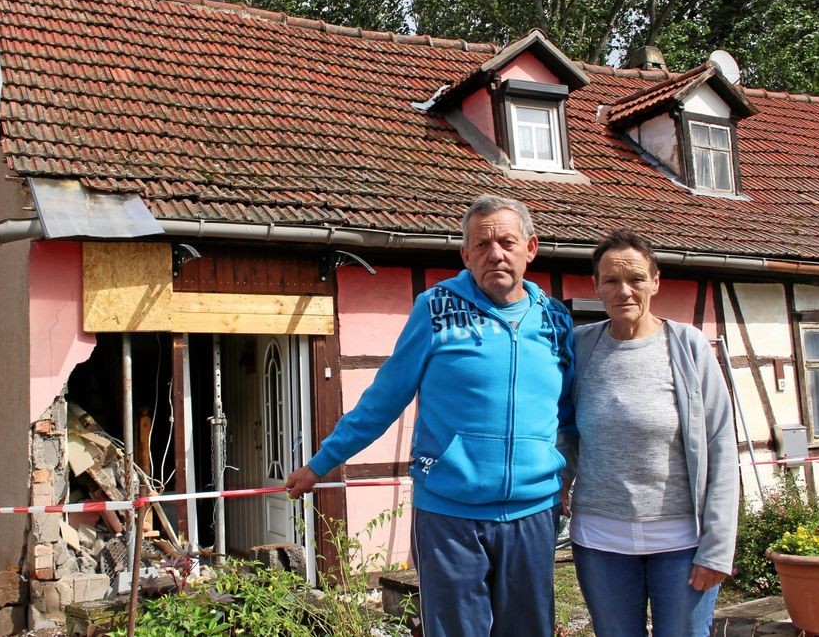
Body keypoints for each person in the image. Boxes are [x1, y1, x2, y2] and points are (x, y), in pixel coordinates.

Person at [285, 194, 574, 636]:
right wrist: (320, 464)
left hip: (534, 510)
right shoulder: (435, 310)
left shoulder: (556, 320)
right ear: (465, 255)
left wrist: (572, 477)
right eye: (481, 245)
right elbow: (383, 399)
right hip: (448, 510)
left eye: (507, 242)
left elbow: (570, 412)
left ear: (530, 248)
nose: (495, 254)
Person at [557, 229, 738, 637]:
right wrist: (560, 477)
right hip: (600, 540)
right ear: (596, 287)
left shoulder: (688, 347)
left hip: (681, 540)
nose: (625, 290)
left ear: (655, 281)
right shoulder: (581, 346)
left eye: (636, 279)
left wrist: (717, 548)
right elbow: (565, 428)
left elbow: (722, 448)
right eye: (611, 280)